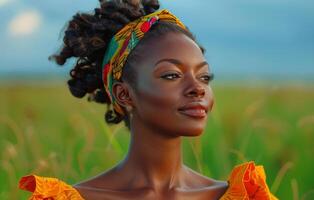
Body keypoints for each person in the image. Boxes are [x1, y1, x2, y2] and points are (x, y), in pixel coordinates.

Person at [18, 0, 277, 199]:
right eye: (172, 75)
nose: (197, 88)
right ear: (124, 94)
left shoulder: (243, 195)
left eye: (204, 77)